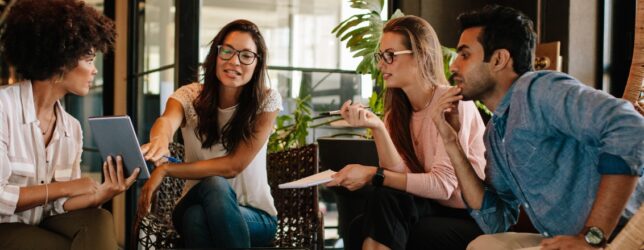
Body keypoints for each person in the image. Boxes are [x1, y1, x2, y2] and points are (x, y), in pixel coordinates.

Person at [429, 5, 644, 250]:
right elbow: (496, 221)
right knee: (484, 245)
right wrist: (451, 143)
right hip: (565, 239)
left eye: (464, 55)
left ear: (499, 59)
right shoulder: (497, 132)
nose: (454, 66)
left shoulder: (538, 90)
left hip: (623, 235)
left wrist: (591, 236)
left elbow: (630, 127)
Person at [326, 15, 487, 250]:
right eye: (380, 56)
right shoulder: (397, 114)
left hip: (468, 215)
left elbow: (443, 186)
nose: (382, 64)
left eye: (390, 55)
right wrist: (378, 127)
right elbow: (397, 179)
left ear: (420, 55)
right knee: (362, 221)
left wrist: (373, 174)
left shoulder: (452, 104)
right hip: (428, 206)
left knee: (381, 220)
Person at [0, 0, 140, 249]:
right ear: (61, 59)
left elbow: (58, 208)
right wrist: (67, 186)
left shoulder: (72, 128)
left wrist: (101, 194)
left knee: (99, 219)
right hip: (4, 228)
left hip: (42, 226)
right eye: (89, 59)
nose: (95, 70)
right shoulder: (4, 108)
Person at [138, 19, 281, 248]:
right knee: (209, 191)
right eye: (227, 51)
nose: (234, 61)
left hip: (257, 216)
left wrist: (166, 169)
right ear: (216, 54)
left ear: (257, 63)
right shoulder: (190, 95)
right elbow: (166, 120)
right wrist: (159, 140)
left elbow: (233, 166)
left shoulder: (265, 102)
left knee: (199, 215)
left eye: (246, 55)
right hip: (191, 201)